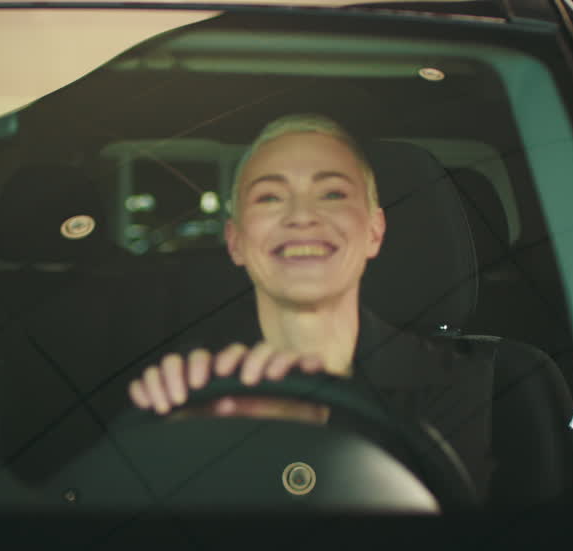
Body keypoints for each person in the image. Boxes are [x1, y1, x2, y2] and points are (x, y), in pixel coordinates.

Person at [128, 113, 495, 499]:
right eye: (270, 197)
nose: (301, 216)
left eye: (333, 193)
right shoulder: (188, 384)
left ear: (375, 231)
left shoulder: (453, 385)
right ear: (235, 240)